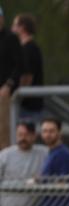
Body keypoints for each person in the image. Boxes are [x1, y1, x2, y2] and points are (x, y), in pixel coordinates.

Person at [0, 121, 47, 206]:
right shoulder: (4, 155)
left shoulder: (44, 153)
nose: (22, 138)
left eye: (26, 135)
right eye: (20, 134)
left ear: (34, 136)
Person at [11, 13, 41, 123]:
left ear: (22, 27)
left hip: (28, 108)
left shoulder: (29, 49)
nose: (12, 28)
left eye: (14, 25)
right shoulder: (24, 48)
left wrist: (16, 98)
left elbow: (27, 77)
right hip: (26, 107)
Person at [0, 8, 23, 150]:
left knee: (3, 131)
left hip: (3, 93)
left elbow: (19, 66)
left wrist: (8, 85)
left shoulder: (11, 38)